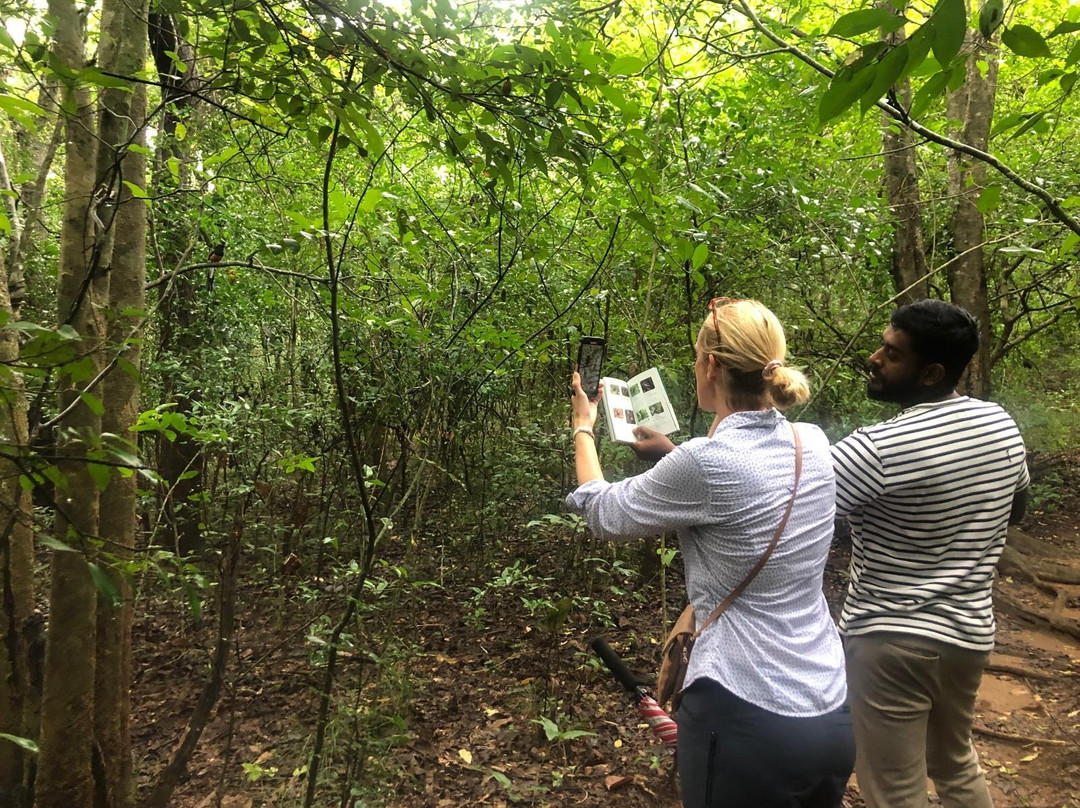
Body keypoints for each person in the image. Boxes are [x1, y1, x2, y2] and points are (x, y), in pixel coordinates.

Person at [567, 298, 854, 808]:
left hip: (745, 714)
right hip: (829, 712)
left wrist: (583, 426)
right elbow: (749, 491)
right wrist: (673, 455)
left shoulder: (706, 462)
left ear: (711, 366)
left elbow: (602, 511)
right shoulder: (811, 441)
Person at [832, 299, 1030, 808]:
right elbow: (1016, 507)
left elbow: (780, 504)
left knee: (895, 790)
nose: (875, 358)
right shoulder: (999, 423)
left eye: (892, 354)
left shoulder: (878, 448)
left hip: (891, 640)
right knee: (956, 764)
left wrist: (679, 459)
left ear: (931, 373)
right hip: (968, 636)